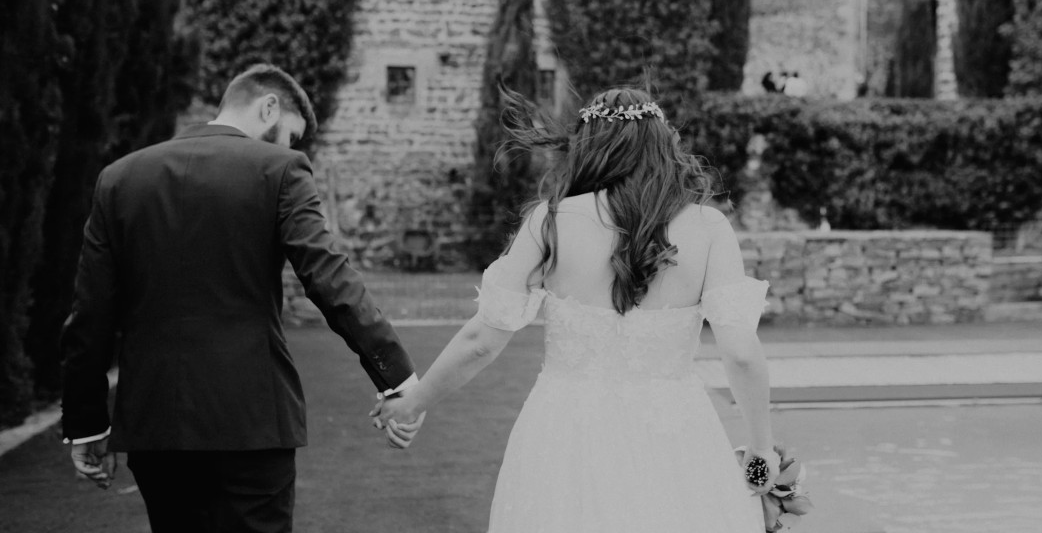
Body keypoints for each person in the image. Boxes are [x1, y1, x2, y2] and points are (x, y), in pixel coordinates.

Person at [374, 86, 779, 532]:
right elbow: (741, 354)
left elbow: (481, 342)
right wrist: (761, 456)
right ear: (664, 146)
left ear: (588, 148)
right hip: (674, 430)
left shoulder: (550, 221)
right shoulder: (708, 227)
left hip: (566, 432)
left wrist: (414, 403)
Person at [60, 64, 422, 533]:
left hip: (156, 426)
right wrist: (398, 379)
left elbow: (89, 314)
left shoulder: (119, 178)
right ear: (268, 106)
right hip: (253, 423)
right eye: (290, 135)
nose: (290, 149)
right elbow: (329, 278)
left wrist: (86, 423)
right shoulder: (281, 170)